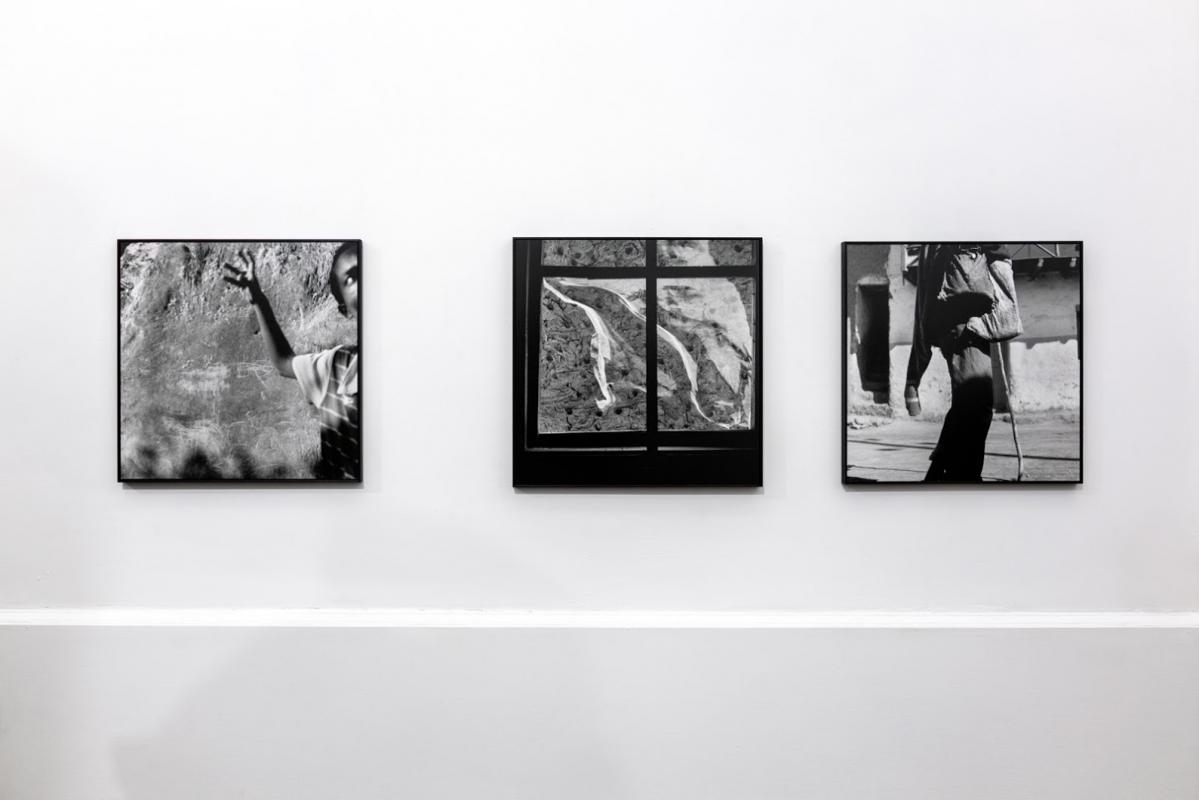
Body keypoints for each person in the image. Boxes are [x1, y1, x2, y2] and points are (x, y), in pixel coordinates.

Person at [223, 242, 360, 480]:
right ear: (344, 310)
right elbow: (284, 362)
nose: (365, 281)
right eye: (351, 278)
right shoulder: (336, 366)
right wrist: (258, 299)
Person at [906, 244, 1009, 482]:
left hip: (966, 318)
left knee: (969, 401)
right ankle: (964, 476)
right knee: (976, 400)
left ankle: (941, 472)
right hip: (961, 319)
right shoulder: (947, 248)